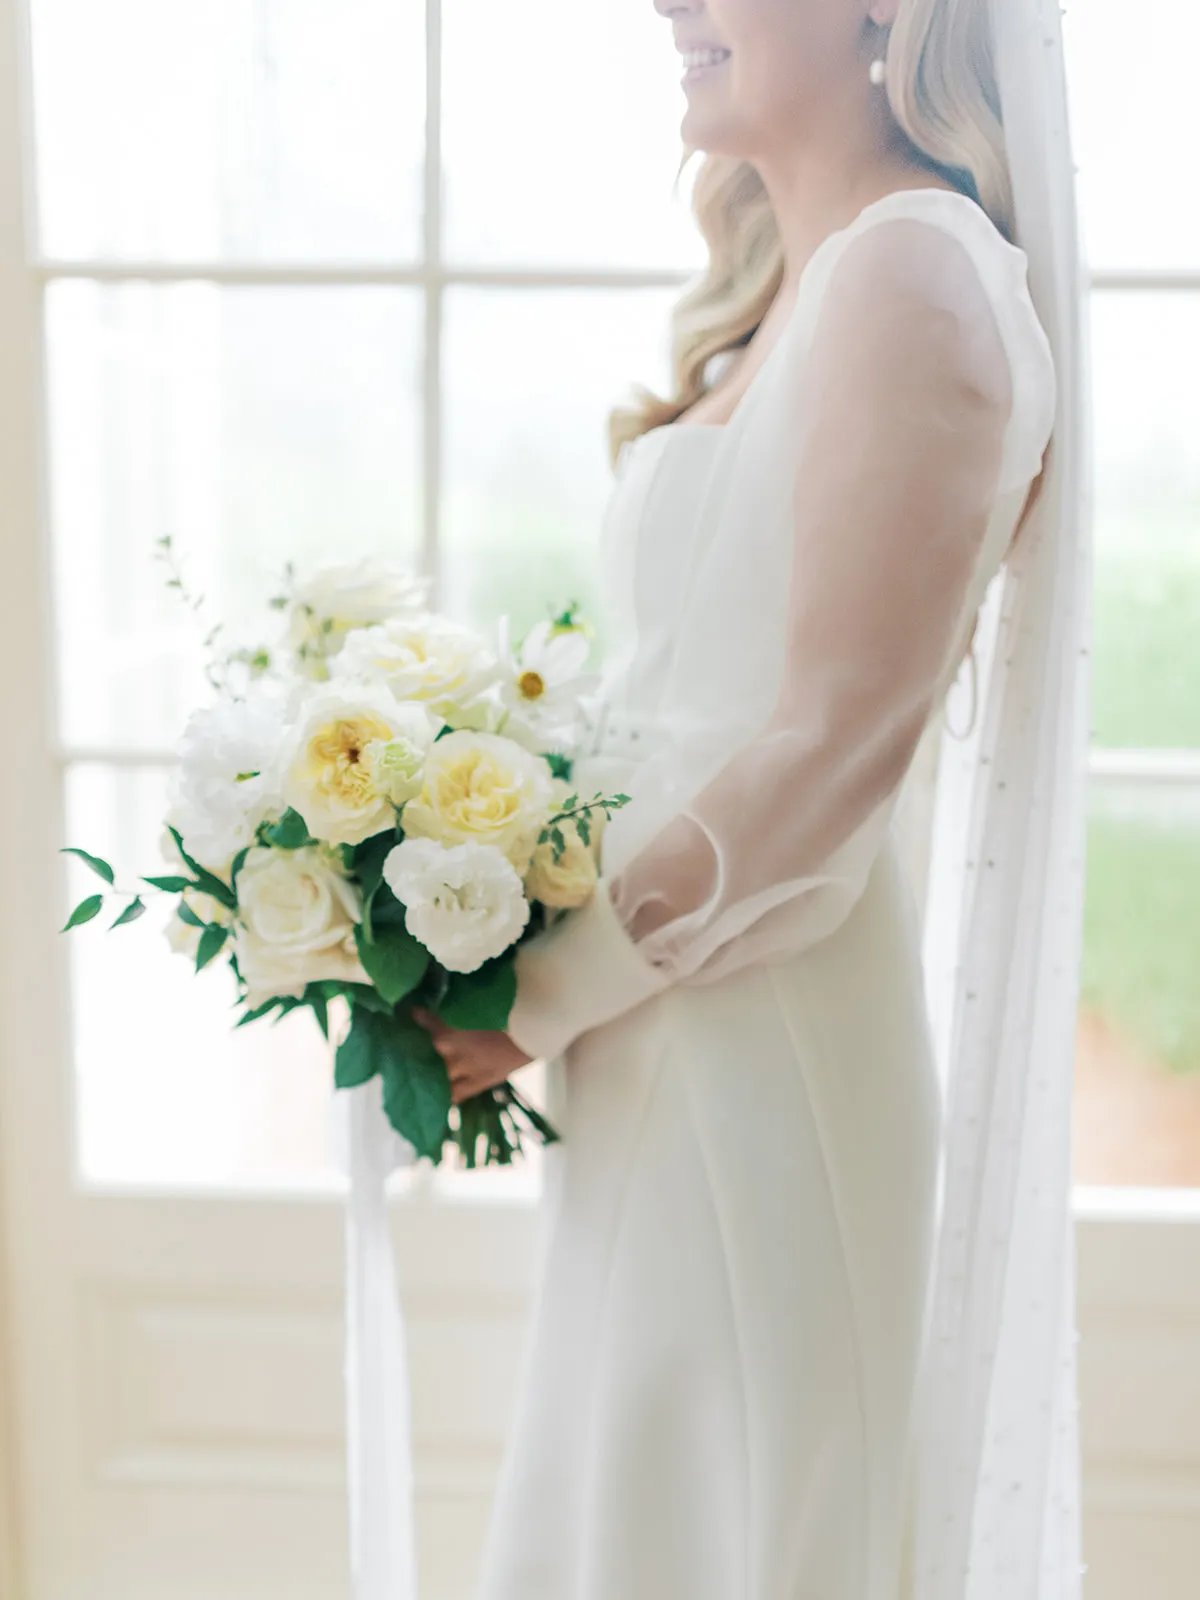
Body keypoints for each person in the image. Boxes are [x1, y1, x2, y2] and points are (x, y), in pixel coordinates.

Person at [421, 2, 1090, 1595]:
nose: (670, 3)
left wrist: (539, 988)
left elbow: (830, 753)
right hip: (665, 1043)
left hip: (765, 1056)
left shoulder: (915, 273)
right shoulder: (804, 284)